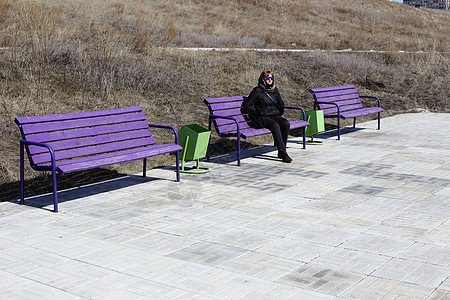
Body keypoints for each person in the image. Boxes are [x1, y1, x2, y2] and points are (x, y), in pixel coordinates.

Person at [241, 71, 292, 163]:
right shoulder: (257, 91)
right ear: (263, 79)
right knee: (274, 125)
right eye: (267, 78)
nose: (269, 80)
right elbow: (246, 106)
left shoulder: (274, 90)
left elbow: (281, 103)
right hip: (261, 117)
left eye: (271, 78)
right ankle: (283, 153)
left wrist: (279, 112)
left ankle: (281, 151)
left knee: (285, 123)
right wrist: (258, 112)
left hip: (273, 115)